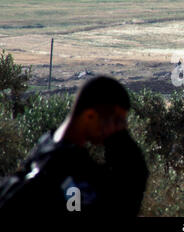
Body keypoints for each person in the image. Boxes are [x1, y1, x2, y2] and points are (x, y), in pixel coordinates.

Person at [0, 76, 148, 216]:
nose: (121, 128)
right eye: (117, 121)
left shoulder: (53, 149)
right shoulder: (62, 169)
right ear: (90, 116)